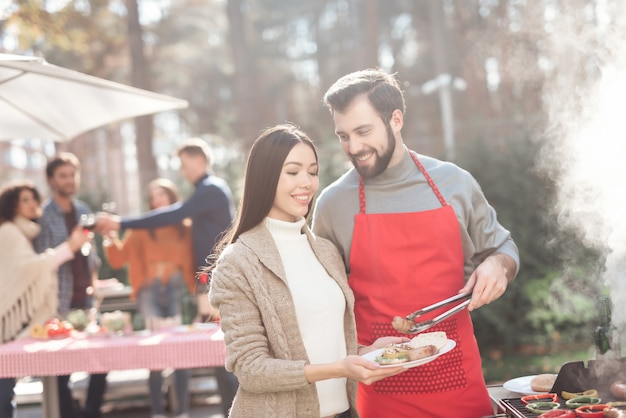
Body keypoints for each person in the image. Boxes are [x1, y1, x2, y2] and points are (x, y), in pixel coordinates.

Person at [312, 68, 520, 418]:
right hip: (379, 388)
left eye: (363, 131)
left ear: (396, 119)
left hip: (458, 382)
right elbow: (321, 305)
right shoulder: (333, 204)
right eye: (343, 136)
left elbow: (503, 249)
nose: (354, 147)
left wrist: (498, 265)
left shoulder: (454, 183)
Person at [208, 124, 407, 418]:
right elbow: (251, 369)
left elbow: (324, 342)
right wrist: (338, 369)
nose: (307, 183)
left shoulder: (326, 252)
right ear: (265, 177)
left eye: (312, 172)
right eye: (293, 172)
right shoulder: (237, 263)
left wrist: (369, 352)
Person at [95, 138, 238, 415]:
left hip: (218, 283)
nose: (182, 172)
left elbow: (175, 214)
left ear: (199, 160)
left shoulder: (209, 190)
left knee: (222, 351)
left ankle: (233, 410)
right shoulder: (208, 191)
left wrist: (121, 222)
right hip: (207, 284)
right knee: (218, 351)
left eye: (184, 165)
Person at [103, 178, 195, 418]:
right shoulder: (142, 228)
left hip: (177, 289)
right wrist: (110, 237)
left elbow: (197, 259)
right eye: (153, 197)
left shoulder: (184, 227)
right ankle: (157, 412)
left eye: (161, 195)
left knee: (180, 353)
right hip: (149, 290)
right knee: (154, 353)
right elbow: (117, 259)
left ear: (172, 198)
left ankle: (182, 411)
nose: (156, 200)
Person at [0, 180, 88, 418]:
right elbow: (30, 270)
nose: (32, 204)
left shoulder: (25, 231)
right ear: (12, 205)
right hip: (7, 322)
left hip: (13, 323)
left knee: (6, 391)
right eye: (24, 200)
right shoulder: (8, 232)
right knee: (3, 392)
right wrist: (70, 246)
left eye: (33, 199)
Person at [34, 153, 108, 418]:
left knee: (102, 361)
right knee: (60, 372)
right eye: (63, 176)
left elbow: (92, 257)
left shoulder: (84, 211)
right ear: (51, 180)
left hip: (87, 302)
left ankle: (90, 412)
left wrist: (97, 281)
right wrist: (71, 246)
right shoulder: (43, 216)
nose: (69, 180)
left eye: (72, 175)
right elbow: (41, 263)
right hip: (58, 304)